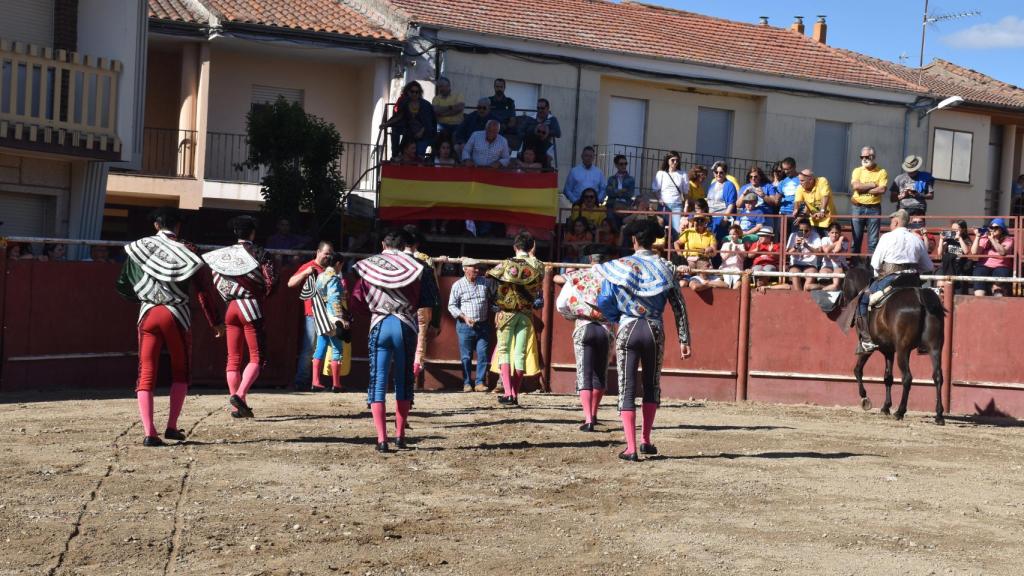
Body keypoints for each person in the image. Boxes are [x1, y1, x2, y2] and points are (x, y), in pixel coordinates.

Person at [115, 208, 223, 446]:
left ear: (156, 225)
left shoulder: (138, 248)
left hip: (147, 313)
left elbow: (123, 284)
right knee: (180, 371)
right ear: (179, 227)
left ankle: (149, 432)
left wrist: (144, 298)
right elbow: (204, 290)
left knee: (146, 372)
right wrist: (215, 321)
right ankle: (172, 426)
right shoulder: (189, 249)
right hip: (176, 314)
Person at [595, 217, 691, 461]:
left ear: (634, 240)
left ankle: (631, 448)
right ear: (653, 241)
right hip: (655, 329)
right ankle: (646, 440)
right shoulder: (666, 267)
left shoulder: (619, 266)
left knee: (627, 387)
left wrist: (616, 316)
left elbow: (605, 299)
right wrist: (684, 338)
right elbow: (678, 304)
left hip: (628, 328)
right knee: (651, 384)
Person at [350, 228, 439, 452]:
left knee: (377, 382)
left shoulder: (367, 265)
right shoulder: (419, 267)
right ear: (402, 246)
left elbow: (357, 300)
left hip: (378, 324)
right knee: (404, 381)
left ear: (383, 244)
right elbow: (428, 299)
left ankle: (381, 439)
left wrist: (376, 308)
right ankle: (400, 436)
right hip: (405, 325)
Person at [202, 215, 277, 416]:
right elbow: (271, 281)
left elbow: (215, 282)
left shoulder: (221, 256)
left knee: (233, 358)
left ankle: (238, 406)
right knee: (257, 357)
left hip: (231, 308)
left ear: (236, 233)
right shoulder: (260, 253)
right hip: (251, 306)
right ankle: (240, 395)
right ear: (252, 232)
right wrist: (261, 296)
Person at [856, 209, 935, 354]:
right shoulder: (916, 239)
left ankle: (866, 340)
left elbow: (875, 263)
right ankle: (924, 339)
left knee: (863, 299)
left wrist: (877, 277)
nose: (890, 224)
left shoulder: (887, 237)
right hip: (912, 281)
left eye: (892, 222)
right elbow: (928, 266)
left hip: (890, 279)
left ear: (896, 222)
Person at [487, 231, 545, 406]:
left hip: (507, 314)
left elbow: (491, 279)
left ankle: (508, 393)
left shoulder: (506, 264)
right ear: (531, 247)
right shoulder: (538, 266)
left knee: (504, 351)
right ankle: (515, 394)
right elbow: (536, 265)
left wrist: (497, 306)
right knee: (520, 353)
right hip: (526, 314)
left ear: (515, 247)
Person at [555, 261, 612, 431]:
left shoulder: (577, 277)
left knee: (584, 373)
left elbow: (561, 304)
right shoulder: (613, 277)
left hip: (583, 326)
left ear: (589, 261)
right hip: (605, 329)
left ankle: (587, 419)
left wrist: (572, 316)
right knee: (600, 374)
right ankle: (594, 414)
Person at [287, 241, 334, 390]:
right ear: (318, 252)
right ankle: (302, 382)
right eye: (326, 253)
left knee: (321, 349)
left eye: (330, 254)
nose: (328, 256)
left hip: (327, 315)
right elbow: (290, 283)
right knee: (310, 349)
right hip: (313, 314)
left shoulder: (329, 269)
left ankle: (315, 381)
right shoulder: (310, 266)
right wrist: (305, 273)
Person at [303, 253, 350, 392]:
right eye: (341, 265)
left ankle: (315, 381)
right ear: (338, 264)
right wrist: (339, 318)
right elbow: (334, 299)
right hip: (332, 317)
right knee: (337, 348)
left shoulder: (320, 276)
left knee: (320, 347)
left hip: (321, 317)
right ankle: (336, 384)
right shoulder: (334, 278)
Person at [448, 257, 496, 392]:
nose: (476, 270)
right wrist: (464, 317)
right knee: (466, 356)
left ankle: (480, 382)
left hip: (483, 324)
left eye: (477, 267)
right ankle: (467, 382)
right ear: (465, 269)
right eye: (473, 267)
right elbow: (451, 306)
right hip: (465, 325)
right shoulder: (457, 285)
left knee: (483, 354)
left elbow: (493, 300)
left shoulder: (485, 283)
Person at [403, 225, 442, 387]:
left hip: (401, 303)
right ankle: (413, 377)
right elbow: (435, 290)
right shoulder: (425, 259)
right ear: (417, 243)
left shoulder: (396, 258)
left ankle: (403, 374)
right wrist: (437, 319)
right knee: (420, 340)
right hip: (422, 305)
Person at [381, 80, 436, 157]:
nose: (414, 94)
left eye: (417, 92)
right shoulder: (405, 103)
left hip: (424, 133)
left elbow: (428, 123)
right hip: (410, 131)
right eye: (412, 91)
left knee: (419, 151)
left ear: (419, 93)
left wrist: (420, 132)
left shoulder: (425, 105)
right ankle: (395, 155)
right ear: (408, 92)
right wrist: (386, 124)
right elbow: (399, 116)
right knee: (395, 131)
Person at [850, 146, 888, 255]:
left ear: (873, 157)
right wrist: (872, 185)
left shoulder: (881, 171)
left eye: (867, 156)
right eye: (861, 157)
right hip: (858, 208)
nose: (864, 159)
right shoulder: (857, 170)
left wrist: (863, 188)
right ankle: (854, 267)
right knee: (856, 240)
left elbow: (882, 189)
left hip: (874, 209)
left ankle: (871, 268)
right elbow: (856, 187)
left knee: (873, 242)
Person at [970, 218, 1014, 297]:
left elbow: (1002, 252)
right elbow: (974, 252)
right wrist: (977, 237)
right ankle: (980, 301)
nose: (993, 229)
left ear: (1002, 229)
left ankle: (996, 303)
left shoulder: (1008, 239)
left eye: (996, 227)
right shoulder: (985, 238)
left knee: (999, 284)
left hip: (1001, 266)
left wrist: (992, 239)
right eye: (991, 227)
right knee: (979, 276)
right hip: (984, 265)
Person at [652, 151, 687, 232]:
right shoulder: (661, 173)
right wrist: (659, 199)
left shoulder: (683, 174)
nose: (675, 162)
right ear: (667, 160)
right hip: (664, 205)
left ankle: (673, 244)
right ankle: (664, 245)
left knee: (676, 230)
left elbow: (685, 192)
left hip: (677, 205)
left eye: (677, 160)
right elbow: (655, 190)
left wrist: (685, 205)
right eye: (673, 160)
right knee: (662, 228)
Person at [792, 168, 835, 233]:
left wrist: (822, 211)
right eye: (799, 180)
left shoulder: (822, 181)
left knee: (826, 242)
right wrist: (796, 210)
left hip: (827, 222)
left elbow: (825, 196)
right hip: (813, 222)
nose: (800, 183)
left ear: (810, 180)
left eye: (802, 181)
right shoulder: (800, 188)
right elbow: (797, 201)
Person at [784, 218, 821, 292]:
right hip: (796, 264)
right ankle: (799, 296)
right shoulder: (793, 235)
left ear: (810, 229)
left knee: (811, 275)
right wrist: (796, 246)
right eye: (801, 231)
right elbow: (787, 253)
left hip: (810, 264)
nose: (804, 233)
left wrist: (806, 245)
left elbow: (819, 252)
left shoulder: (815, 235)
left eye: (806, 231)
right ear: (798, 230)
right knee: (794, 274)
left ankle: (805, 295)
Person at [936, 219, 971, 295]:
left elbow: (966, 251)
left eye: (956, 230)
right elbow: (939, 253)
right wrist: (941, 240)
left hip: (958, 268)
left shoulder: (966, 240)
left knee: (957, 292)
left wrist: (960, 239)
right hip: (946, 267)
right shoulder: (949, 239)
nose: (954, 231)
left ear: (963, 229)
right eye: (952, 229)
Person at [705, 162, 738, 239]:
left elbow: (731, 204)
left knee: (720, 241)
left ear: (725, 173)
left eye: (721, 172)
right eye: (716, 172)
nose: (718, 174)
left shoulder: (729, 185)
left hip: (721, 218)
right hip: (711, 219)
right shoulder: (712, 185)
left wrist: (725, 218)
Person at [816, 222, 849, 291]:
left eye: (836, 233)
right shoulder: (825, 239)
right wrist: (838, 241)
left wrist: (839, 241)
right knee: (822, 275)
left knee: (836, 284)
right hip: (827, 266)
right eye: (832, 232)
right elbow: (826, 250)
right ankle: (825, 289)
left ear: (840, 233)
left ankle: (821, 291)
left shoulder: (845, 241)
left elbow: (836, 251)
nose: (834, 235)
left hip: (839, 266)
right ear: (828, 233)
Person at [431, 76, 464, 143]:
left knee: (457, 135)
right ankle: (437, 152)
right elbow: (435, 110)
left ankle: (454, 152)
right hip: (441, 124)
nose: (441, 89)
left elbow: (459, 108)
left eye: (443, 86)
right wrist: (450, 107)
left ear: (449, 86)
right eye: (439, 86)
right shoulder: (436, 98)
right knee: (437, 133)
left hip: (457, 124)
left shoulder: (458, 95)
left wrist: (442, 113)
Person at [605, 155, 636, 225]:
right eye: (621, 164)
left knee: (627, 220)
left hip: (626, 204)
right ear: (616, 165)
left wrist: (615, 191)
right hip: (612, 204)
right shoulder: (611, 179)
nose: (624, 166)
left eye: (625, 163)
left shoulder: (631, 179)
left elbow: (630, 193)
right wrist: (621, 190)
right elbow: (608, 192)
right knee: (610, 218)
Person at [719, 224, 746, 289]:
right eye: (730, 234)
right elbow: (723, 259)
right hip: (726, 268)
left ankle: (733, 293)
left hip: (737, 268)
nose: (732, 236)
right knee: (727, 283)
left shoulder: (741, 245)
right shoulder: (725, 244)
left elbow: (743, 259)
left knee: (737, 283)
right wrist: (729, 252)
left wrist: (738, 252)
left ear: (738, 234)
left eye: (734, 234)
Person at [776, 157, 800, 225]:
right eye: (784, 169)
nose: (786, 171)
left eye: (788, 169)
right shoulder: (782, 182)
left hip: (797, 214)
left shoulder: (802, 179)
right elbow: (777, 201)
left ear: (794, 167)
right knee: (781, 235)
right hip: (783, 214)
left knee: (795, 235)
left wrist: (802, 215)